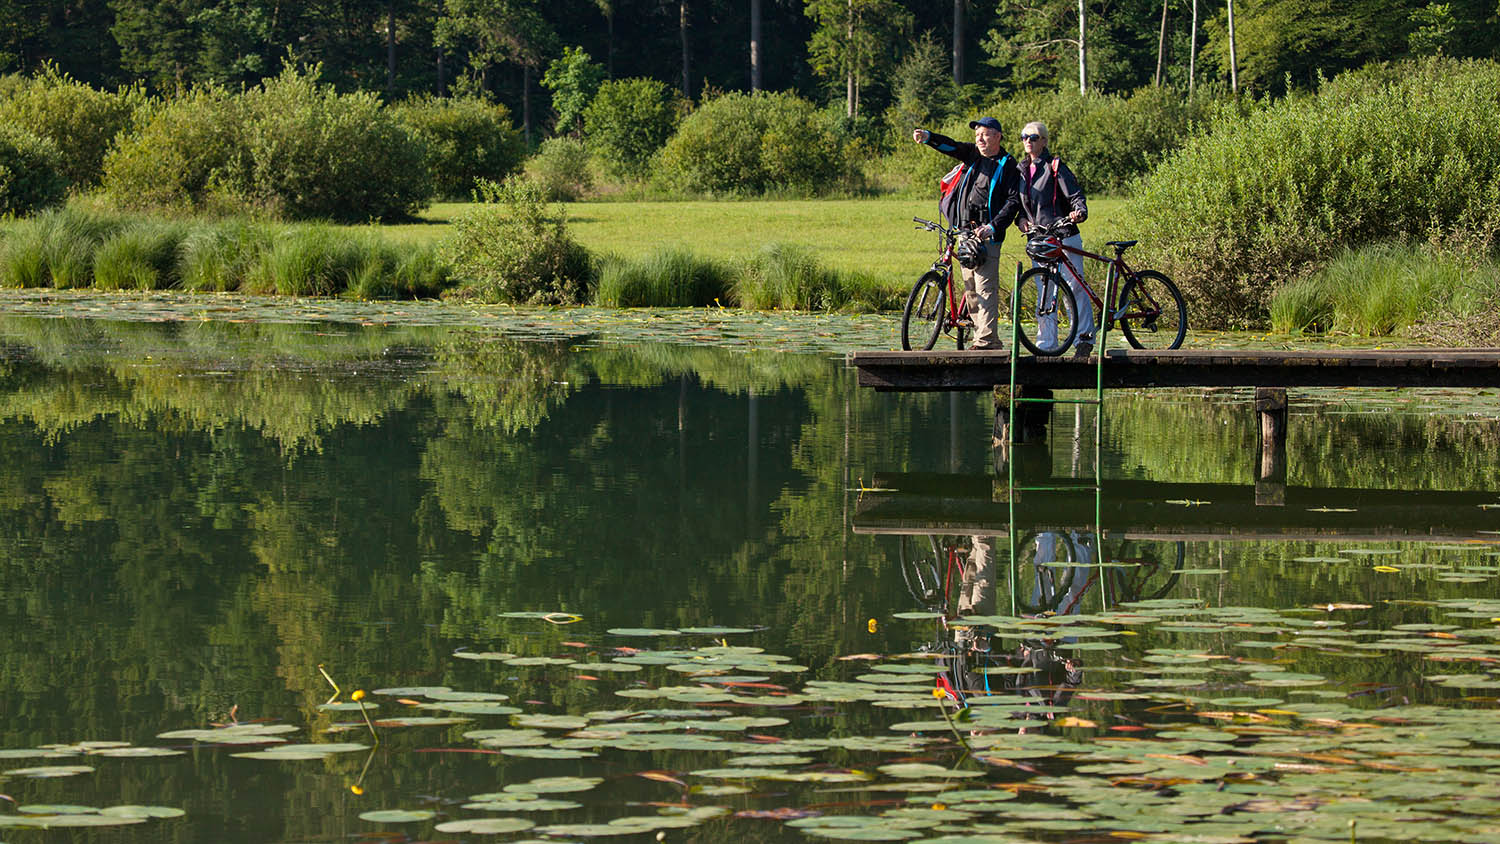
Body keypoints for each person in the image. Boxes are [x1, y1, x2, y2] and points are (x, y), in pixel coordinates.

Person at [911, 118, 1021, 350]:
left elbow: (1013, 202)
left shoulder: (1007, 164)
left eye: (986, 134)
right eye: (977, 135)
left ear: (998, 137)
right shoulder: (972, 154)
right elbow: (951, 146)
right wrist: (929, 137)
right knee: (971, 288)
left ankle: (988, 341)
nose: (980, 139)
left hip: (987, 234)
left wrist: (993, 226)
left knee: (985, 288)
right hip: (965, 231)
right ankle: (980, 337)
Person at [1015, 121, 1093, 357]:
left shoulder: (1055, 167)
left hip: (1064, 236)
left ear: (1044, 141)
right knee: (1045, 292)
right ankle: (1046, 345)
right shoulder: (1020, 170)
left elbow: (1076, 196)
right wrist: (1020, 222)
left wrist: (1079, 212)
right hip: (1038, 240)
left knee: (1074, 288)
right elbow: (1020, 208)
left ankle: (1084, 340)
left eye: (1034, 137)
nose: (1028, 140)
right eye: (1024, 137)